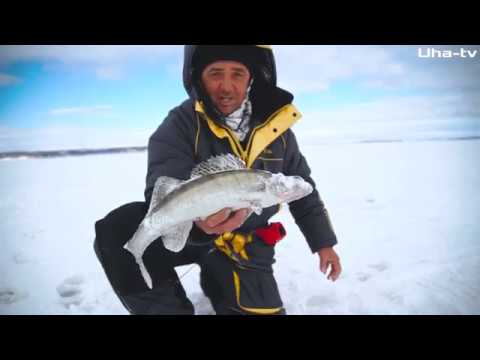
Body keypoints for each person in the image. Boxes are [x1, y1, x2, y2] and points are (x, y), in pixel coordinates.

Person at [94, 45, 341, 315]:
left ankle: (222, 281)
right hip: (187, 233)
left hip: (245, 244)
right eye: (215, 73)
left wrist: (323, 243)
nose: (226, 86)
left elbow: (305, 191)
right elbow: (164, 185)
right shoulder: (180, 123)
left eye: (237, 73)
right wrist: (201, 225)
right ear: (198, 76)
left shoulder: (278, 132)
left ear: (252, 77)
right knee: (119, 229)